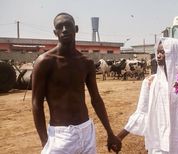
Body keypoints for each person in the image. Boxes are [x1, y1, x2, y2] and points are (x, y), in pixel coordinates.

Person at [32, 12, 121, 154]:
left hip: (86, 132)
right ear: (55, 32)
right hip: (60, 135)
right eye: (60, 27)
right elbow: (36, 104)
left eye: (68, 25)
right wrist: (44, 141)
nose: (65, 29)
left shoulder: (86, 62)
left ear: (76, 29)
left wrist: (110, 133)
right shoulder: (44, 62)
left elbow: (96, 99)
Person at [117, 37, 178, 154]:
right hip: (158, 143)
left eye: (163, 52)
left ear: (175, 55)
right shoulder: (150, 82)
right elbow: (141, 112)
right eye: (158, 52)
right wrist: (120, 136)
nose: (158, 56)